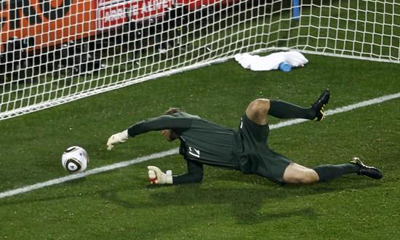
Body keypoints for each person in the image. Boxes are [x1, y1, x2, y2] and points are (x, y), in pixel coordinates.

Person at [106, 89, 383, 185]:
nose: (163, 131)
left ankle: (311, 112)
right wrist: (166, 180)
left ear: (173, 121)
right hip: (254, 163)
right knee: (306, 177)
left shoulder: (186, 122)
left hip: (245, 138)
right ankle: (356, 167)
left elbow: (153, 124)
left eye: (166, 127)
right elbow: (195, 177)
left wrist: (124, 135)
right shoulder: (186, 150)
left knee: (257, 105)